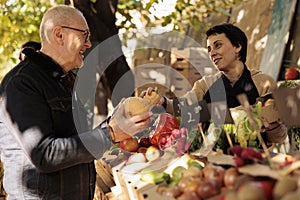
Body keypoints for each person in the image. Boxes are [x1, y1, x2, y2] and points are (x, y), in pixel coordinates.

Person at [0, 5, 151, 200]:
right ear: (59, 34)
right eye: (84, 35)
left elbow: (77, 141)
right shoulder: (21, 83)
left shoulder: (64, 80)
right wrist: (110, 133)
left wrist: (114, 123)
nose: (88, 44)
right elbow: (44, 154)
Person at [142, 23, 287, 146]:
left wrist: (272, 128)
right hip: (211, 159)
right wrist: (161, 101)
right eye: (209, 49)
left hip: (252, 160)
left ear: (237, 47)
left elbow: (279, 138)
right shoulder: (205, 84)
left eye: (217, 45)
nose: (212, 53)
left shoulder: (263, 83)